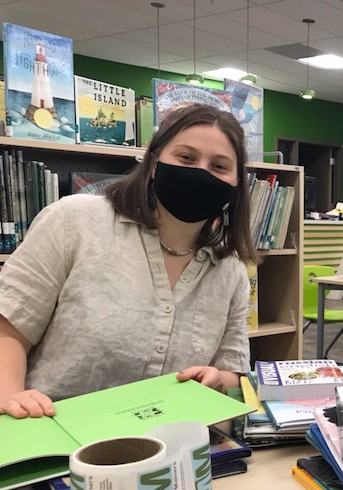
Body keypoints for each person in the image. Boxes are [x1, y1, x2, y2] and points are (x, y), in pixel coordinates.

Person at [0, 104, 259, 419]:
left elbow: (232, 370)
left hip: (171, 438)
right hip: (55, 431)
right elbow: (10, 327)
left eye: (219, 166)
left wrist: (219, 381)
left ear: (235, 186)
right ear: (153, 163)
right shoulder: (75, 221)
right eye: (186, 158)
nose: (200, 173)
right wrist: (10, 395)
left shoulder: (230, 269)